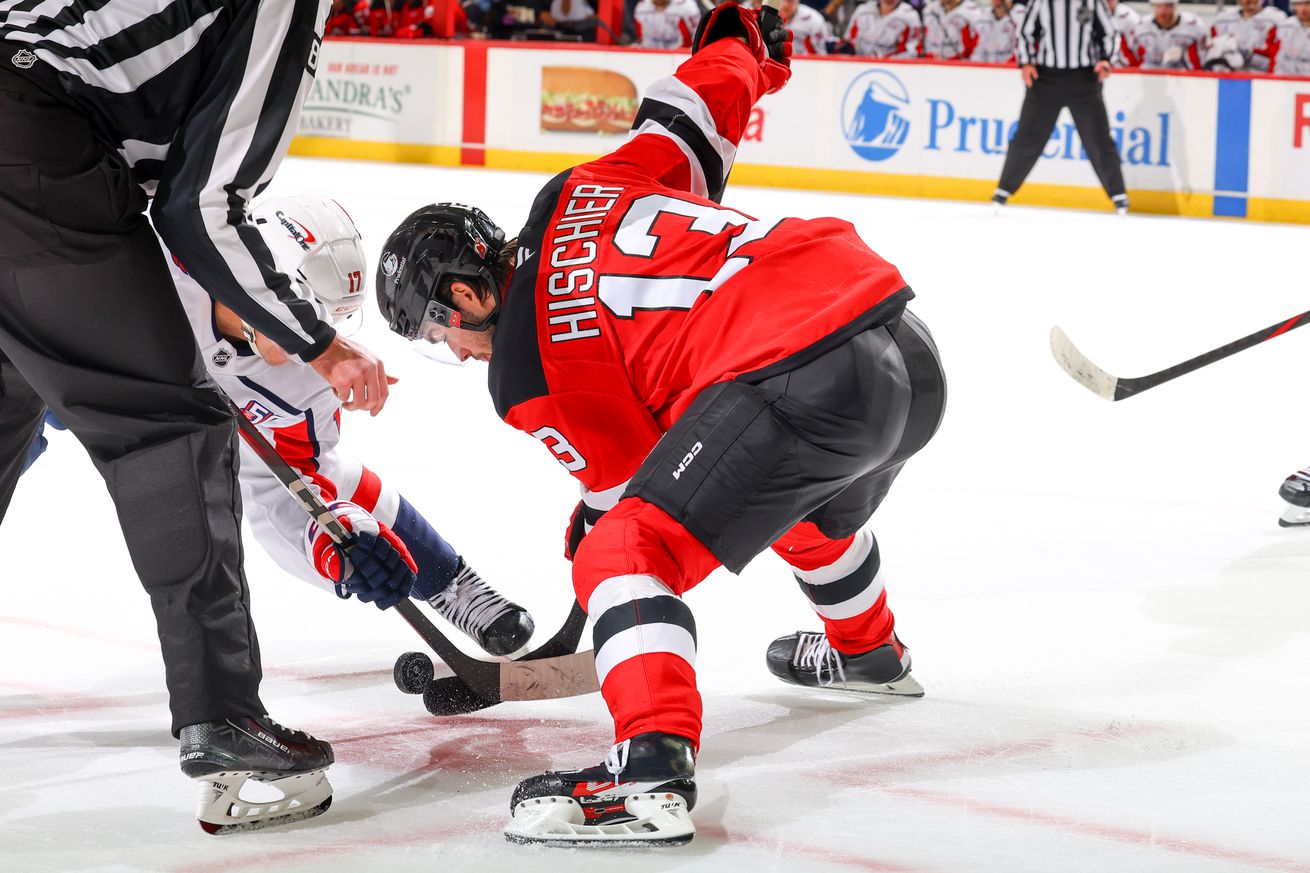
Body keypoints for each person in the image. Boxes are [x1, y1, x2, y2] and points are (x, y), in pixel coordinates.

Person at [376, 1, 946, 846]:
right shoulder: (578, 189)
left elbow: (634, 486)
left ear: (464, 292)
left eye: (436, 330)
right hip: (898, 343)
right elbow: (687, 112)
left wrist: (589, 536)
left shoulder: (522, 372)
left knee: (620, 552)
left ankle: (648, 772)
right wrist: (739, 39)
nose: (453, 350)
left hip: (803, 375)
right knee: (780, 494)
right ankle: (869, 653)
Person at [0, 1, 399, 834]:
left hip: (29, 132)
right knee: (169, 427)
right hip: (29, 145)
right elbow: (201, 205)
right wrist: (323, 345)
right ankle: (223, 719)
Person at [175, 195, 535, 654]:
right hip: (92, 376)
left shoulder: (307, 381)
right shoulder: (171, 258)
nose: (305, 338)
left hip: (175, 437)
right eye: (302, 305)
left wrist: (331, 542)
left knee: (333, 480)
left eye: (329, 321)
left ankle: (447, 580)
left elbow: (288, 483)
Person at [992, 0, 1129, 215]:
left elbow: (1109, 33)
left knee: (1098, 138)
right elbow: (1025, 32)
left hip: (1084, 78)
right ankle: (1003, 189)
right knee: (1028, 136)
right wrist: (1026, 62)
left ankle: (1119, 195)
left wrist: (1106, 59)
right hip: (1046, 78)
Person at [1204, 0, 1285, 72]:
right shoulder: (1222, 19)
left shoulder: (1275, 19)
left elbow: (1277, 55)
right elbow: (1209, 50)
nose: (1249, 1)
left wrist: (1251, 56)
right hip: (1226, 76)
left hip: (1259, 77)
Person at [1124, 0, 1205, 70]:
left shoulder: (1194, 26)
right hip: (1148, 77)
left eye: (1167, 6)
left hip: (1181, 78)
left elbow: (1203, 61)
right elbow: (1132, 57)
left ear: (1175, 6)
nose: (1162, 12)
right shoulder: (1141, 27)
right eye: (1158, 6)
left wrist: (1185, 55)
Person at [846, 0, 924, 57]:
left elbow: (914, 51)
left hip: (893, 72)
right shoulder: (862, 11)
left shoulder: (909, 16)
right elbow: (848, 42)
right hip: (858, 68)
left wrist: (886, 61)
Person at [634, 0, 704, 48]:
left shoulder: (686, 7)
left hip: (679, 54)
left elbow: (696, 37)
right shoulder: (642, 6)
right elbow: (641, 36)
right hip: (650, 53)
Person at [1273, 0, 1310, 74]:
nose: (1303, 8)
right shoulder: (1285, 25)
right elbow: (1278, 56)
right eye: (1299, 4)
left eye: (1307, 4)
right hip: (1285, 78)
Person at [1105, 0, 1141, 65]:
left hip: (1125, 64)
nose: (1107, 2)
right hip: (1101, 61)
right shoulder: (1091, 13)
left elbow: (1139, 46)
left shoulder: (1130, 16)